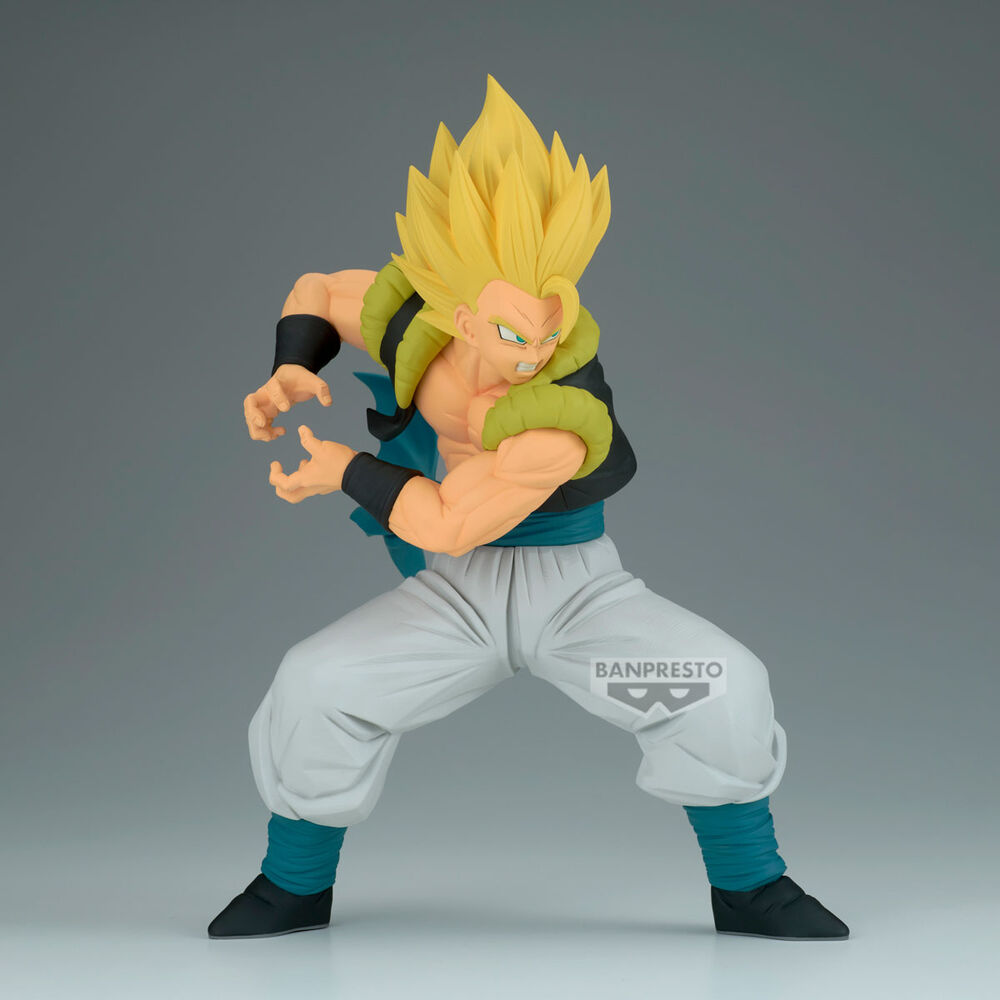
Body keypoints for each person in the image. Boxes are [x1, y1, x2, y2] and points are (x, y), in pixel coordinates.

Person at [208, 75, 848, 941]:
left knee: (718, 689)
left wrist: (343, 471)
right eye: (515, 333)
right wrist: (292, 366)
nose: (537, 350)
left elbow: (447, 520)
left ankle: (749, 885)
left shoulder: (558, 410)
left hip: (578, 603)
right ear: (462, 314)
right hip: (456, 603)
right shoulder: (419, 324)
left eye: (553, 324)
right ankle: (293, 884)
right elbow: (320, 290)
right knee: (316, 686)